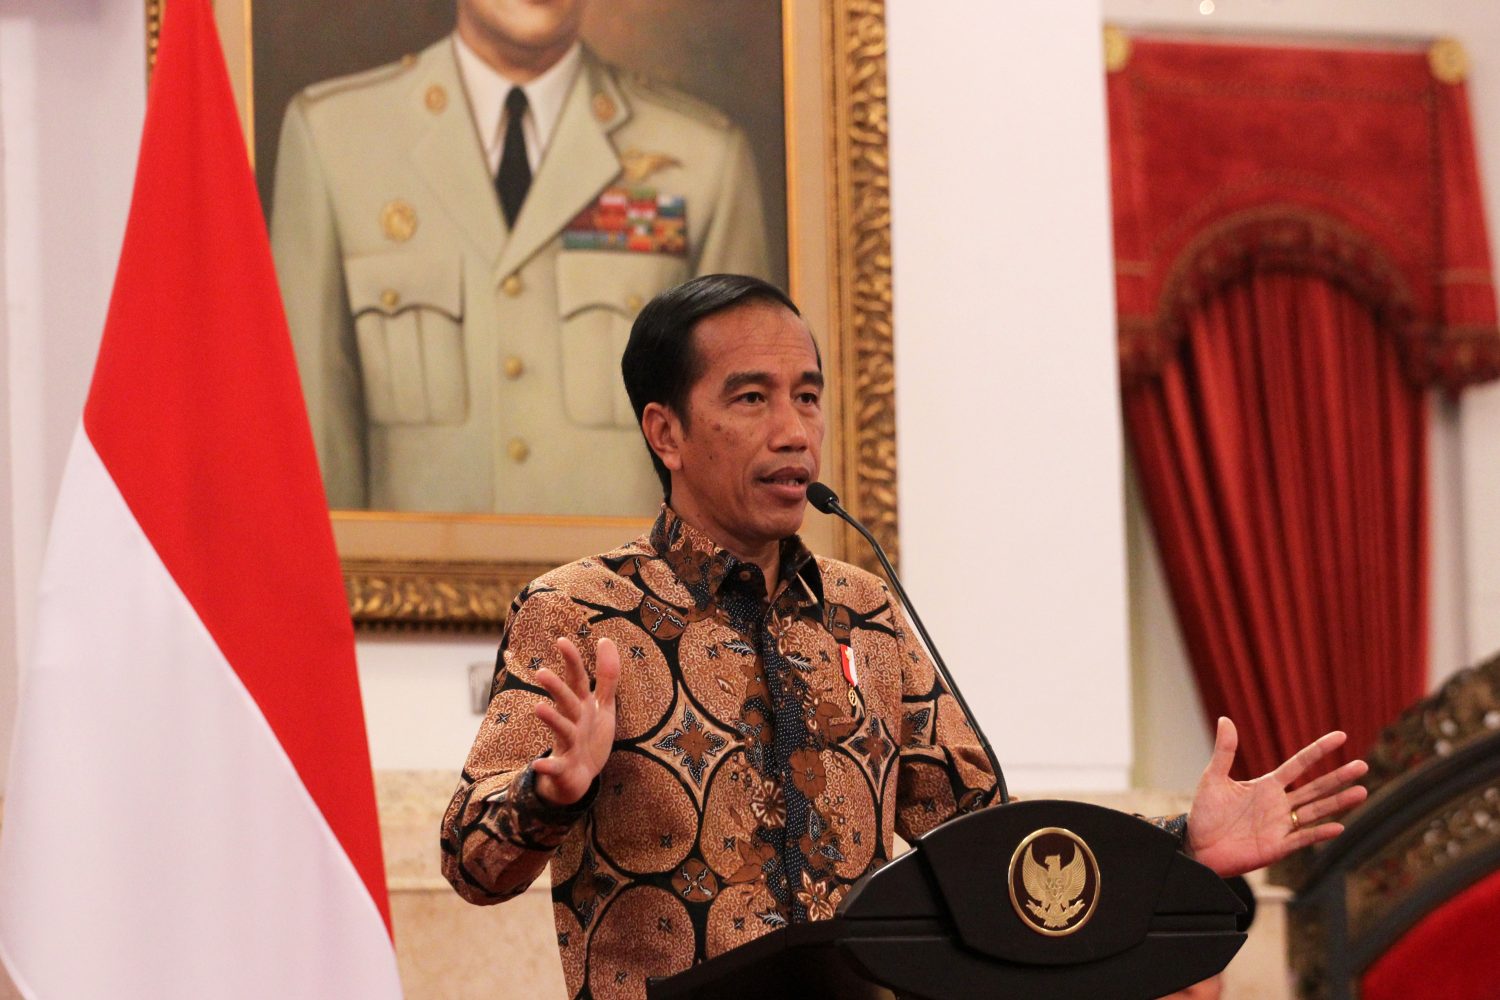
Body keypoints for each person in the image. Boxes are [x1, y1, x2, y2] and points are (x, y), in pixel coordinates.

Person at [440, 274, 1369, 999]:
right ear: (666, 431)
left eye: (808, 396)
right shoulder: (580, 613)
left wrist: (1175, 846)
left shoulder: (865, 614)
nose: (794, 431)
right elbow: (470, 867)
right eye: (752, 398)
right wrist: (550, 792)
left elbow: (985, 848)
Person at [270, 0, 769, 514]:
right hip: (406, 570)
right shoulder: (335, 139)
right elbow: (310, 445)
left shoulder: (703, 159)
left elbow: (737, 452)